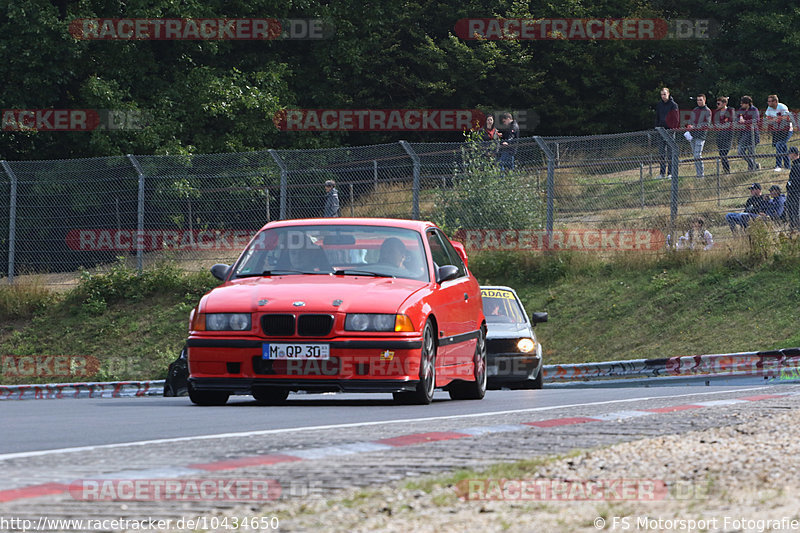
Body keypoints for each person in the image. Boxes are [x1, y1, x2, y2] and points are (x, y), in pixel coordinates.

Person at [655, 87, 679, 179]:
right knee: (661, 153)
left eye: (664, 94)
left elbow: (676, 119)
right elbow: (657, 116)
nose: (663, 96)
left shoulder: (673, 105)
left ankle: (670, 173)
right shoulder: (659, 105)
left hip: (669, 131)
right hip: (660, 131)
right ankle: (662, 173)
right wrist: (656, 127)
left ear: (668, 94)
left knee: (670, 153)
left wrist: (672, 129)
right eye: (661, 94)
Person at [764, 95, 793, 171]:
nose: (768, 103)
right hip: (777, 131)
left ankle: (778, 165)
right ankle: (787, 166)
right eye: (768, 101)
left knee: (779, 145)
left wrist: (776, 119)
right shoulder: (769, 108)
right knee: (783, 148)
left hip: (787, 130)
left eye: (770, 101)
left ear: (775, 102)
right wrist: (777, 119)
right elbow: (768, 119)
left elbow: (787, 118)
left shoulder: (782, 107)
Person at [685, 94, 711, 177]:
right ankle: (698, 173)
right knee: (694, 155)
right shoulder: (695, 110)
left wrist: (695, 127)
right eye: (698, 100)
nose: (699, 102)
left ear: (704, 100)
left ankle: (701, 174)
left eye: (700, 100)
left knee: (697, 154)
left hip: (701, 135)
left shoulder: (707, 111)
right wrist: (689, 126)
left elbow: (706, 123)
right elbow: (690, 120)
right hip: (692, 135)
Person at [736, 96, 761, 171]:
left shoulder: (754, 110)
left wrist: (745, 122)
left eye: (742, 103)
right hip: (743, 134)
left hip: (752, 134)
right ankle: (754, 165)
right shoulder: (741, 110)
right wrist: (739, 120)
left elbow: (756, 120)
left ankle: (752, 168)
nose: (741, 105)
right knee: (740, 151)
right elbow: (736, 119)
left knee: (751, 152)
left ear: (747, 103)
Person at [712, 96, 734, 174]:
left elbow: (730, 121)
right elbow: (715, 123)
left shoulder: (730, 110)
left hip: (728, 135)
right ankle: (725, 170)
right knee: (721, 154)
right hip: (719, 136)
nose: (717, 105)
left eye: (719, 103)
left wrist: (723, 124)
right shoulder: (716, 112)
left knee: (724, 153)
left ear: (724, 103)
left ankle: (727, 170)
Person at [787, 146, 800, 230]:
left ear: (794, 154)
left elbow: (794, 181)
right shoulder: (795, 165)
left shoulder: (796, 166)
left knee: (795, 213)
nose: (788, 155)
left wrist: (789, 185)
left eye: (790, 153)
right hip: (794, 192)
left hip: (795, 193)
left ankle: (796, 228)